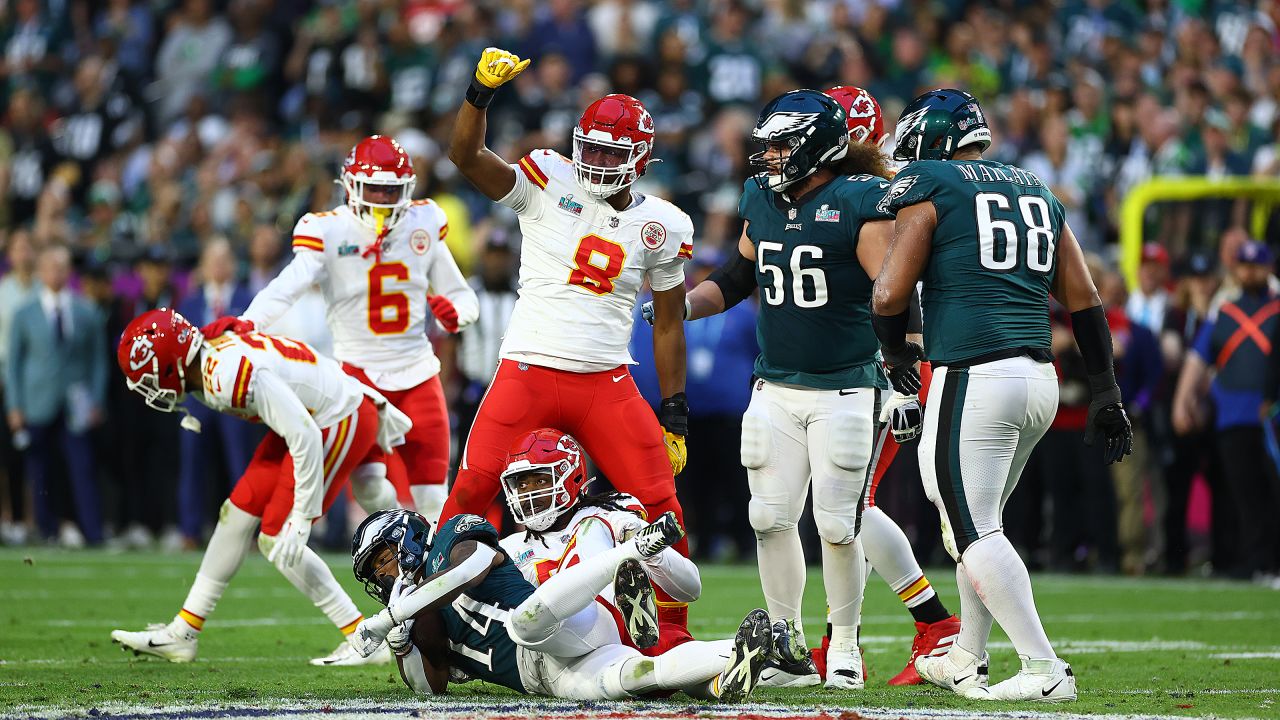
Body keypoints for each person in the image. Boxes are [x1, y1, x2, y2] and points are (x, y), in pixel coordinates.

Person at [871, 89, 1133, 702]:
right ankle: (968, 654)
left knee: (968, 525)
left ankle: (1044, 668)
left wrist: (895, 355)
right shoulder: (1035, 186)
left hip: (974, 373)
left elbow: (888, 295)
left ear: (931, 140)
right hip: (1039, 378)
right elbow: (1086, 298)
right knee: (978, 521)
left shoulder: (933, 181)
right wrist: (1105, 389)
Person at [444, 48, 693, 629]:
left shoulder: (664, 224)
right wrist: (479, 92)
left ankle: (673, 630)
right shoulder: (545, 178)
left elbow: (670, 320)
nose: (599, 159)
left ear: (641, 158)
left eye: (613, 150)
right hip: (527, 370)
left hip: (605, 380)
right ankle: (433, 622)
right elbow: (464, 155)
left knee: (662, 505)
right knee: (470, 494)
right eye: (593, 147)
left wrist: (675, 409)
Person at [663, 88, 901, 690]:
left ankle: (844, 644)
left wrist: (905, 369)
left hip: (846, 386)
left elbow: (894, 294)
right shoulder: (761, 202)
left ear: (818, 149)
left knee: (838, 525)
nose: (768, 157)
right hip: (775, 386)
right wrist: (680, 309)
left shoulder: (859, 200)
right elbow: (739, 277)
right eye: (765, 146)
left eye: (780, 146)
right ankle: (784, 641)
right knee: (768, 517)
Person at [109, 309, 408, 666]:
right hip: (311, 413)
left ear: (172, 365)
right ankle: (183, 633)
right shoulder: (207, 360)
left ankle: (362, 639)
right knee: (236, 512)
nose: (150, 388)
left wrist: (302, 516)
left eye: (150, 377)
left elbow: (305, 436)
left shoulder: (225, 374)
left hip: (337, 416)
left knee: (278, 538)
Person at [206, 135, 479, 522]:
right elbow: (289, 285)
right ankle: (405, 537)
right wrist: (250, 321)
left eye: (391, 190)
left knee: (435, 498)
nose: (383, 200)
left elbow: (465, 298)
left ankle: (435, 573)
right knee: (368, 486)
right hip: (358, 378)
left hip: (418, 374)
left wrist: (456, 313)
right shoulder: (330, 230)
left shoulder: (423, 222)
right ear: (351, 187)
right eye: (375, 189)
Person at [820, 85, 961, 686]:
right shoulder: (862, 189)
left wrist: (902, 375)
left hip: (891, 360)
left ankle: (928, 625)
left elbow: (903, 292)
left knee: (848, 505)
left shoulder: (886, 192)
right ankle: (856, 634)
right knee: (842, 504)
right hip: (869, 361)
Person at [348, 508, 771, 702]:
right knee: (635, 678)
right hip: (546, 678)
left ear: (408, 538)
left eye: (382, 560)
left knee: (524, 623)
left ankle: (634, 551)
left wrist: (391, 617)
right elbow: (431, 686)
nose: (382, 576)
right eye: (373, 574)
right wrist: (402, 642)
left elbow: (470, 568)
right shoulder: (418, 614)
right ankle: (740, 653)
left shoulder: (450, 541)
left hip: (565, 621)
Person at [495, 428, 698, 654]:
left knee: (591, 527)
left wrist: (647, 547)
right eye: (522, 485)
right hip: (581, 649)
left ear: (573, 477)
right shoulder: (510, 548)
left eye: (541, 480)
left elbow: (691, 588)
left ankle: (628, 595)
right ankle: (623, 594)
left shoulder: (605, 514)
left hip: (645, 640)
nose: (528, 493)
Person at [1179, 240, 1280, 580]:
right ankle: (1256, 562)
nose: (1250, 272)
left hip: (1272, 417)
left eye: (1257, 265)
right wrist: (1183, 401)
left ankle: (1271, 561)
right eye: (1244, 266)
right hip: (1233, 415)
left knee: (1272, 492)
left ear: (1269, 268)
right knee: (1244, 494)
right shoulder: (1224, 314)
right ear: (1236, 271)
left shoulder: (1277, 309)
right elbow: (1197, 358)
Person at [5, 244, 108, 546]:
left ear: (69, 272)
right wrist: (15, 405)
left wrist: (97, 400)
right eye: (50, 266)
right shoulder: (24, 313)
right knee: (40, 469)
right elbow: (14, 364)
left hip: (76, 401)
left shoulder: (86, 310)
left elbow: (98, 361)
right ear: (40, 271)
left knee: (83, 466)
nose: (56, 272)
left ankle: (93, 531)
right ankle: (46, 529)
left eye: (61, 267)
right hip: (37, 400)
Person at [176, 239, 257, 545]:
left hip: (236, 394)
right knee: (192, 462)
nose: (219, 266)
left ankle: (247, 533)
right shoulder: (190, 302)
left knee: (241, 465)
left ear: (233, 264)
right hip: (198, 397)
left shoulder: (249, 298)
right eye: (214, 260)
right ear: (204, 266)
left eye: (225, 260)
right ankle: (190, 530)